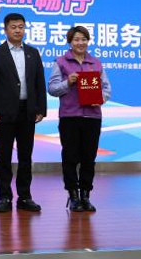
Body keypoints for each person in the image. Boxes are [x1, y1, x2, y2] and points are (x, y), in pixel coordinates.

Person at [0, 12, 47, 213]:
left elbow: (39, 82)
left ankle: (25, 196)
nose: (18, 30)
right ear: (5, 29)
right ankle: (5, 197)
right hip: (4, 112)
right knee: (4, 156)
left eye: (21, 27)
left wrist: (41, 108)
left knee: (26, 156)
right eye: (13, 27)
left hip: (28, 111)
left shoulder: (33, 52)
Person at [48, 26, 112, 212]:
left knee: (89, 158)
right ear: (70, 42)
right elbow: (52, 89)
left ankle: (85, 195)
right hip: (70, 117)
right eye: (76, 39)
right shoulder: (61, 62)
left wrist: (101, 99)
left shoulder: (96, 63)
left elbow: (107, 88)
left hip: (92, 117)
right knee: (70, 157)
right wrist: (68, 82)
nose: (80, 43)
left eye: (84, 39)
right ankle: (73, 195)